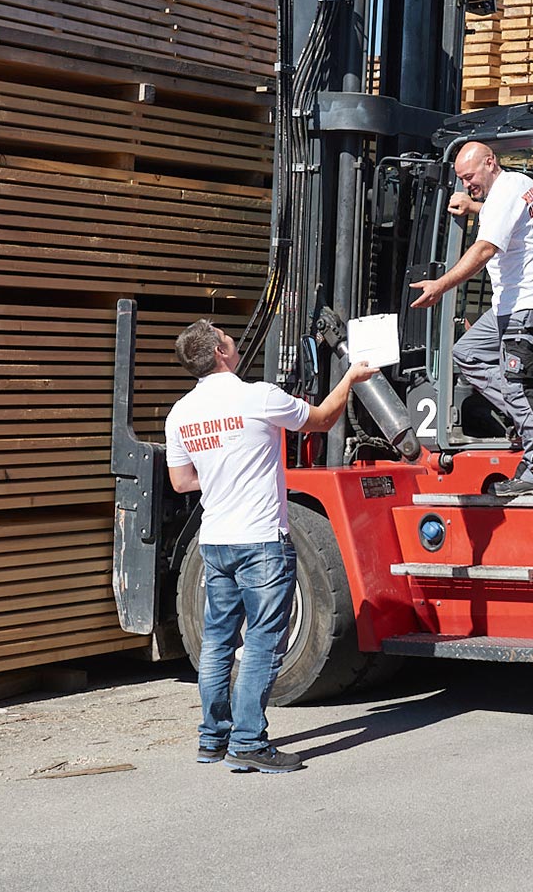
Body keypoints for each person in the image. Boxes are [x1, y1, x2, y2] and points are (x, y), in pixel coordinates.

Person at [165, 320, 375, 775]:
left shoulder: (180, 412)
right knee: (262, 642)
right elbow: (321, 420)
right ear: (220, 353)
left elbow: (182, 481)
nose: (234, 341)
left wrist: (220, 474)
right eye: (227, 337)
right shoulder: (257, 396)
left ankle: (212, 739)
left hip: (215, 541)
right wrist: (349, 379)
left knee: (219, 641)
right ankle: (248, 743)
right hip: (260, 539)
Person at [410, 141, 533, 498]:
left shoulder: (508, 188)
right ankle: (531, 420)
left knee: (521, 383)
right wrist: (474, 206)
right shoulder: (514, 188)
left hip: (526, 305)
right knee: (468, 354)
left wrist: (441, 286)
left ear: (490, 162)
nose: (466, 185)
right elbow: (504, 218)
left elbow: (484, 249)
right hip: (510, 305)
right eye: (461, 180)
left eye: (469, 177)